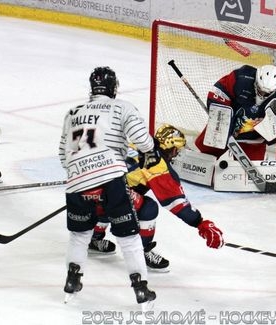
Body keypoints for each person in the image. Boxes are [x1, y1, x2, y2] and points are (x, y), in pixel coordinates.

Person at [58, 66, 157, 307]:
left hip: (77, 181)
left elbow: (63, 156)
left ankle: (72, 280)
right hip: (110, 178)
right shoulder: (122, 106)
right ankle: (140, 288)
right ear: (114, 88)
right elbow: (143, 141)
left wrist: (82, 173)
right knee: (129, 237)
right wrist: (150, 150)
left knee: (80, 236)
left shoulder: (72, 112)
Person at [88, 124, 225, 272]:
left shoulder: (138, 142)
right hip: (108, 194)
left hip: (89, 187)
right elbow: (178, 205)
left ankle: (93, 238)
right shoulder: (158, 166)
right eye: (176, 150)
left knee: (117, 197)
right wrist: (200, 223)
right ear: (171, 148)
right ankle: (142, 252)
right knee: (148, 207)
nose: (176, 153)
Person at [194, 64, 276, 160]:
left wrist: (269, 128)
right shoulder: (241, 78)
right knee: (202, 158)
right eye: (260, 89)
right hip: (223, 130)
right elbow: (218, 91)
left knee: (248, 172)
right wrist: (223, 118)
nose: (262, 94)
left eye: (267, 93)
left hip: (252, 141)